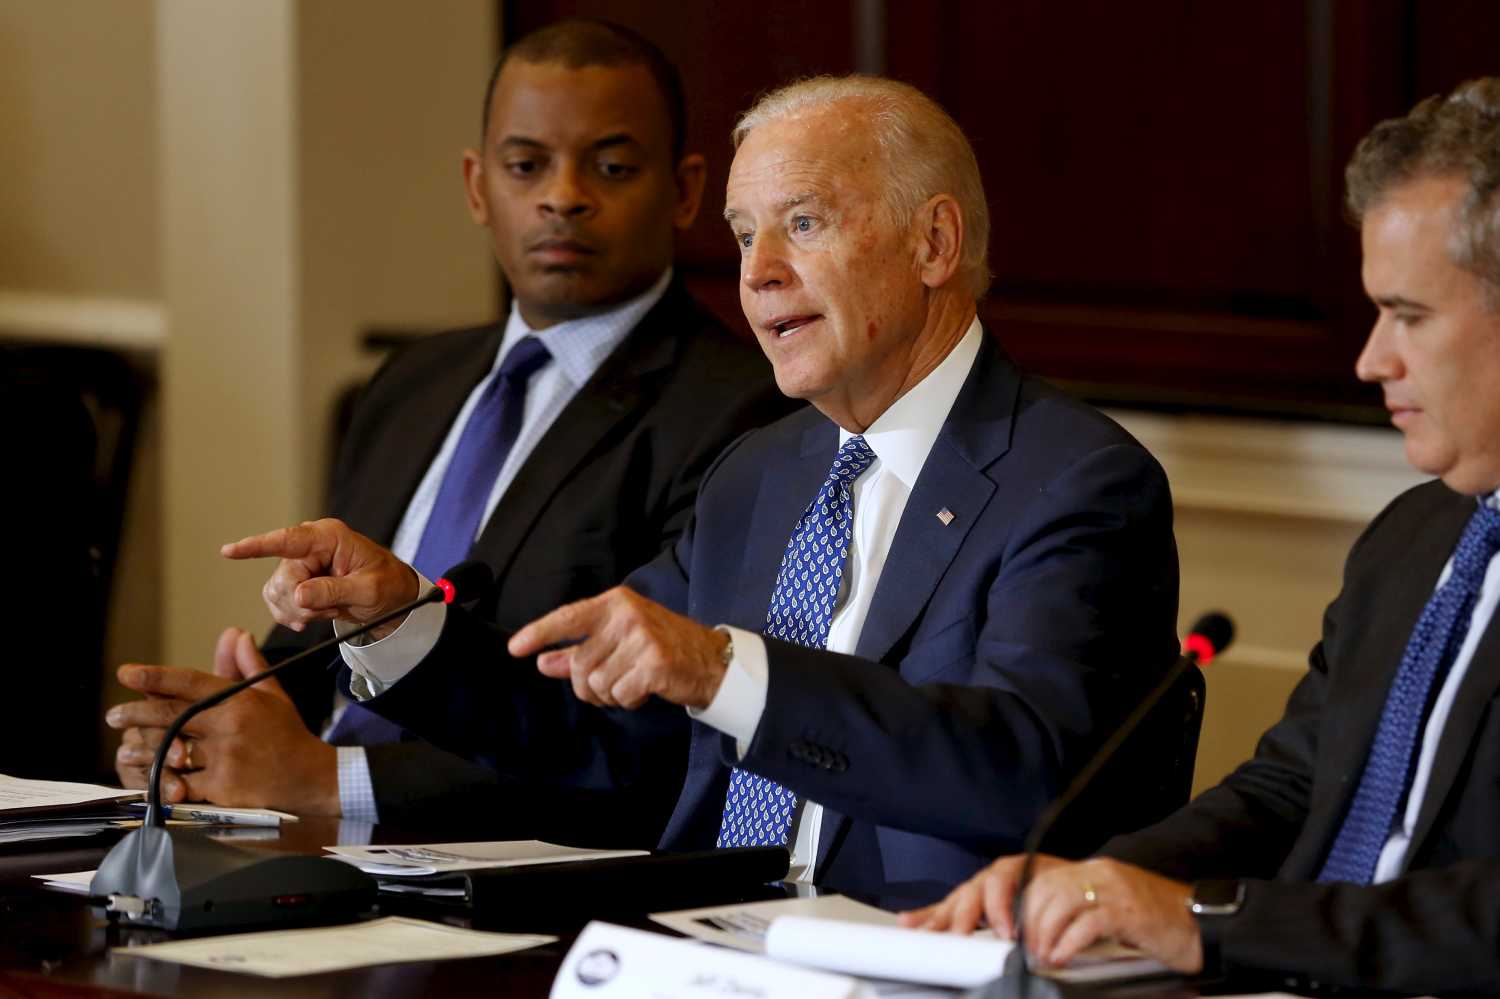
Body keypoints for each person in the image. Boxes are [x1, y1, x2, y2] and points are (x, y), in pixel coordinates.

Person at [224, 76, 1180, 899]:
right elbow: (593, 722)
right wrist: (399, 623)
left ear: (933, 244)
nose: (758, 275)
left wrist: (726, 671)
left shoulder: (1075, 484)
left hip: (903, 953)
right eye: (743, 234)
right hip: (686, 938)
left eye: (803, 225)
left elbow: (1022, 771)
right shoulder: (760, 472)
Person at [106, 20, 788, 843]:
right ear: (476, 186)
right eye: (525, 165)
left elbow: (653, 749)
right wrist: (214, 734)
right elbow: (320, 651)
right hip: (303, 848)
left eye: (611, 166)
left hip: (516, 883)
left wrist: (328, 780)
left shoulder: (745, 413)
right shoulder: (408, 384)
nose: (563, 195)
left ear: (684, 190)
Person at [903, 78, 1500, 996]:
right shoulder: (1412, 537)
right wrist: (1096, 882)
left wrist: (1210, 925)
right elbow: (1292, 787)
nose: (1371, 358)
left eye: (1408, 315)